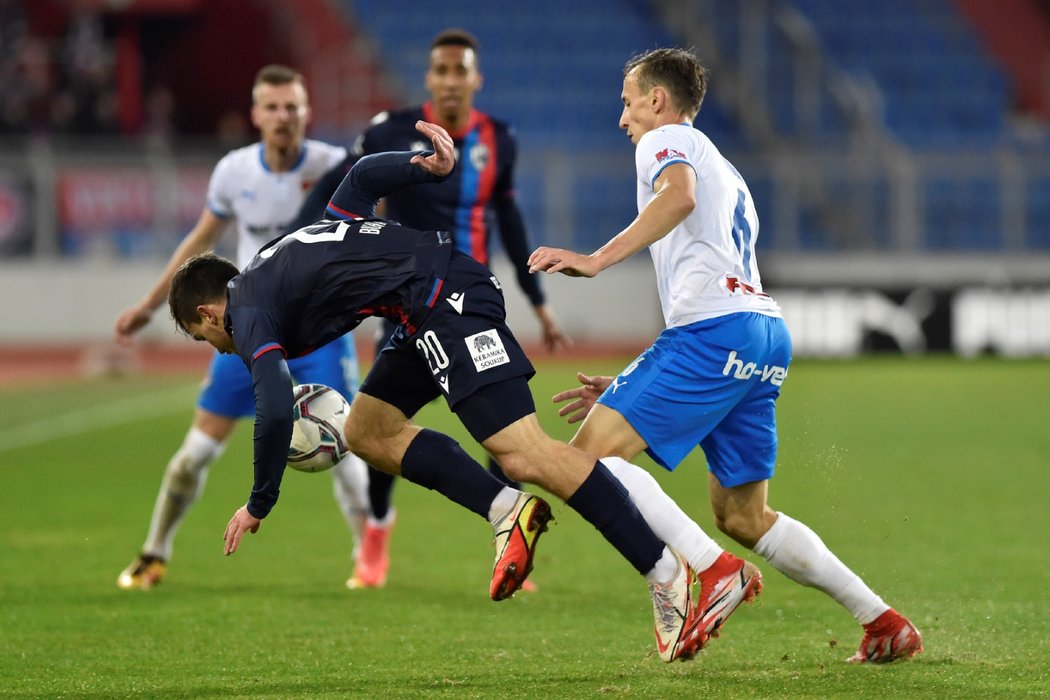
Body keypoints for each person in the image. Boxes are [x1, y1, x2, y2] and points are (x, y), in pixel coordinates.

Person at [167, 120, 758, 663]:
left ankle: (670, 573)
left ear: (207, 312)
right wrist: (424, 165)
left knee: (524, 452)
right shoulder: (282, 255)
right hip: (419, 306)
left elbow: (272, 405)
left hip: (443, 299)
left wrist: (259, 502)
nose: (216, 347)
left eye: (202, 337)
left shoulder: (246, 313)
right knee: (366, 430)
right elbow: (362, 177)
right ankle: (509, 510)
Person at [528, 47, 923, 665]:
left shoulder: (662, 142)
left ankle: (711, 574)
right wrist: (636, 381)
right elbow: (708, 259)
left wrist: (596, 259)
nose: (623, 116)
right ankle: (882, 620)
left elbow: (677, 199)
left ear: (657, 100)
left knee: (583, 461)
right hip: (761, 336)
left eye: (628, 101)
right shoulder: (728, 171)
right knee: (743, 514)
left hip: (713, 335)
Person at [287, 28, 568, 590]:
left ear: (474, 79)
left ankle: (508, 532)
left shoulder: (499, 141)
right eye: (441, 70)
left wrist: (539, 302)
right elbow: (337, 186)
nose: (450, 80)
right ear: (429, 79)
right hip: (402, 300)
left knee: (501, 432)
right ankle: (376, 539)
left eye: (460, 70)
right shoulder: (391, 130)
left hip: (471, 301)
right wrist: (296, 248)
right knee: (378, 427)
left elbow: (509, 222)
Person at [114, 65, 371, 591]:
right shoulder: (234, 171)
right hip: (247, 333)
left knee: (348, 448)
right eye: (272, 107)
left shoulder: (329, 166)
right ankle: (154, 551)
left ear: (307, 113)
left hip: (317, 332)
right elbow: (197, 241)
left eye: (292, 106)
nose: (283, 116)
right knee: (195, 455)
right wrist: (151, 301)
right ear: (256, 114)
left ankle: (367, 557)